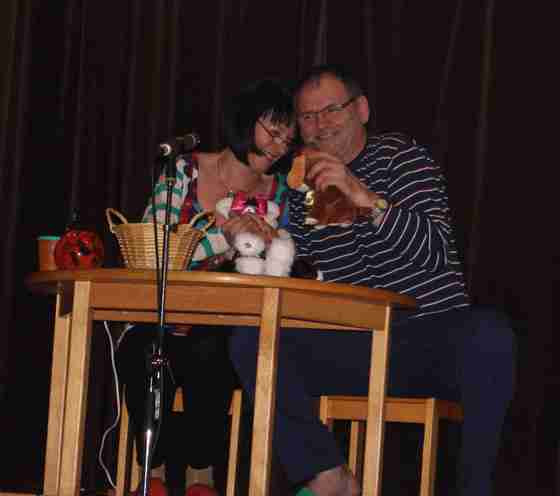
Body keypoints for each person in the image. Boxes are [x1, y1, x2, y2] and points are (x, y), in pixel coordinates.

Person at [228, 64, 515, 496]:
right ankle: (326, 474)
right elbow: (300, 275)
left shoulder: (402, 157)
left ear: (361, 110)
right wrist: (259, 241)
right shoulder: (300, 188)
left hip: (424, 336)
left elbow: (434, 251)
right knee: (253, 337)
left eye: (331, 110)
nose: (320, 125)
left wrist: (364, 197)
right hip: (352, 344)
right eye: (308, 117)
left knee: (489, 335)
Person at [116, 78, 297, 496]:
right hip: (161, 317)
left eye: (287, 139)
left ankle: (202, 477)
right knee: (145, 351)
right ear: (243, 122)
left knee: (214, 351)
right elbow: (153, 249)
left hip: (227, 325)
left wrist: (265, 243)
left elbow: (285, 268)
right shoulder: (184, 170)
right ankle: (153, 474)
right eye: (273, 132)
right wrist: (223, 237)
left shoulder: (283, 194)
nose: (279, 147)